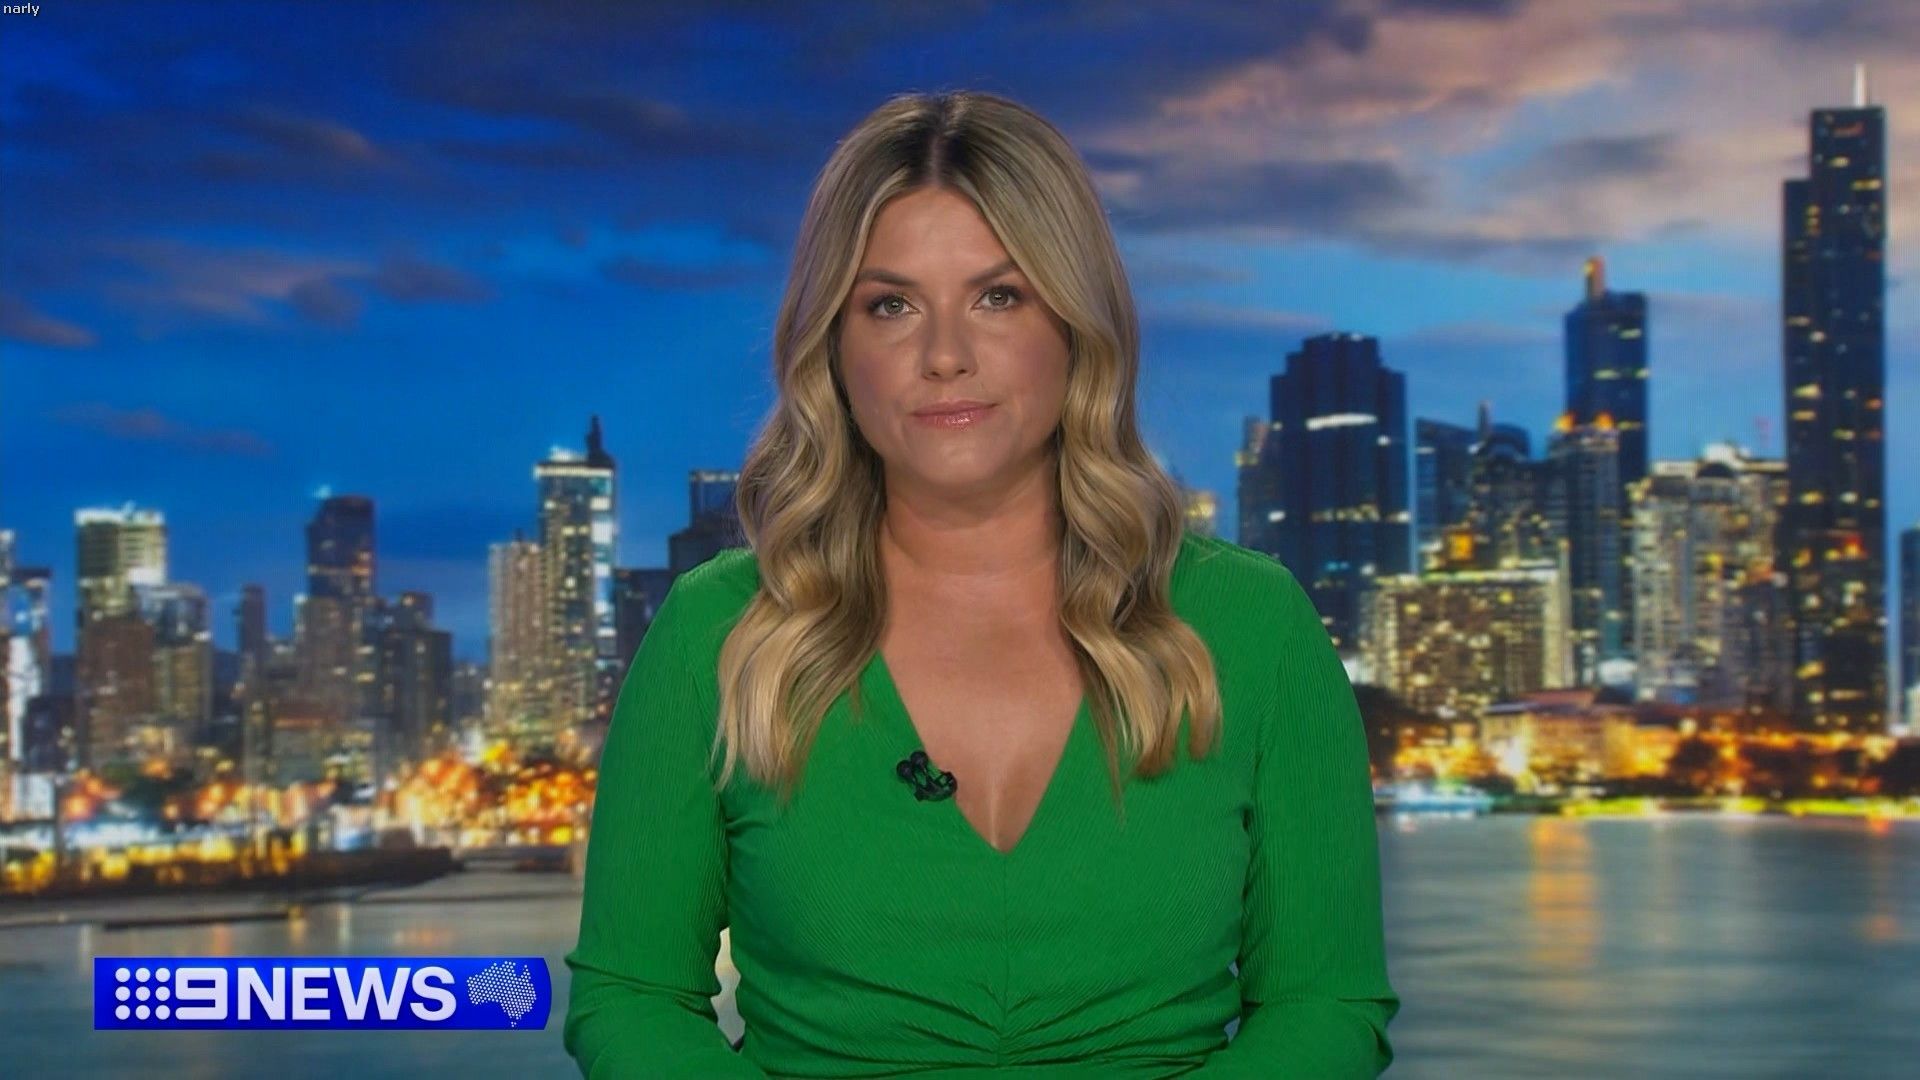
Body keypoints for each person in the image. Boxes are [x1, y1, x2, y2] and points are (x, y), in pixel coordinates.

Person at [563, 89, 1399, 1078]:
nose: (946, 357)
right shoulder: (718, 631)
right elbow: (631, 998)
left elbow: (1323, 1005)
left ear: (1075, 325)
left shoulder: (1252, 624)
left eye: (999, 297)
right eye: (891, 305)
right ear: (834, 346)